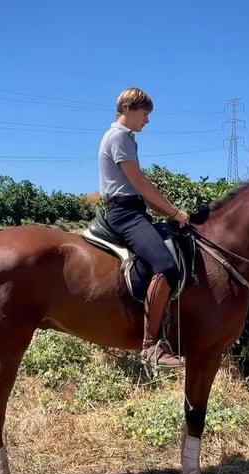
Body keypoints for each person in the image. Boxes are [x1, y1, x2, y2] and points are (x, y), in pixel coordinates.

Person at [98, 87, 190, 369]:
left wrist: (168, 213)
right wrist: (173, 212)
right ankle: (151, 346)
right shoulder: (118, 137)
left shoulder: (126, 138)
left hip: (134, 211)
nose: (147, 121)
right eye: (144, 114)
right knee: (166, 265)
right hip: (125, 215)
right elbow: (139, 184)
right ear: (128, 109)